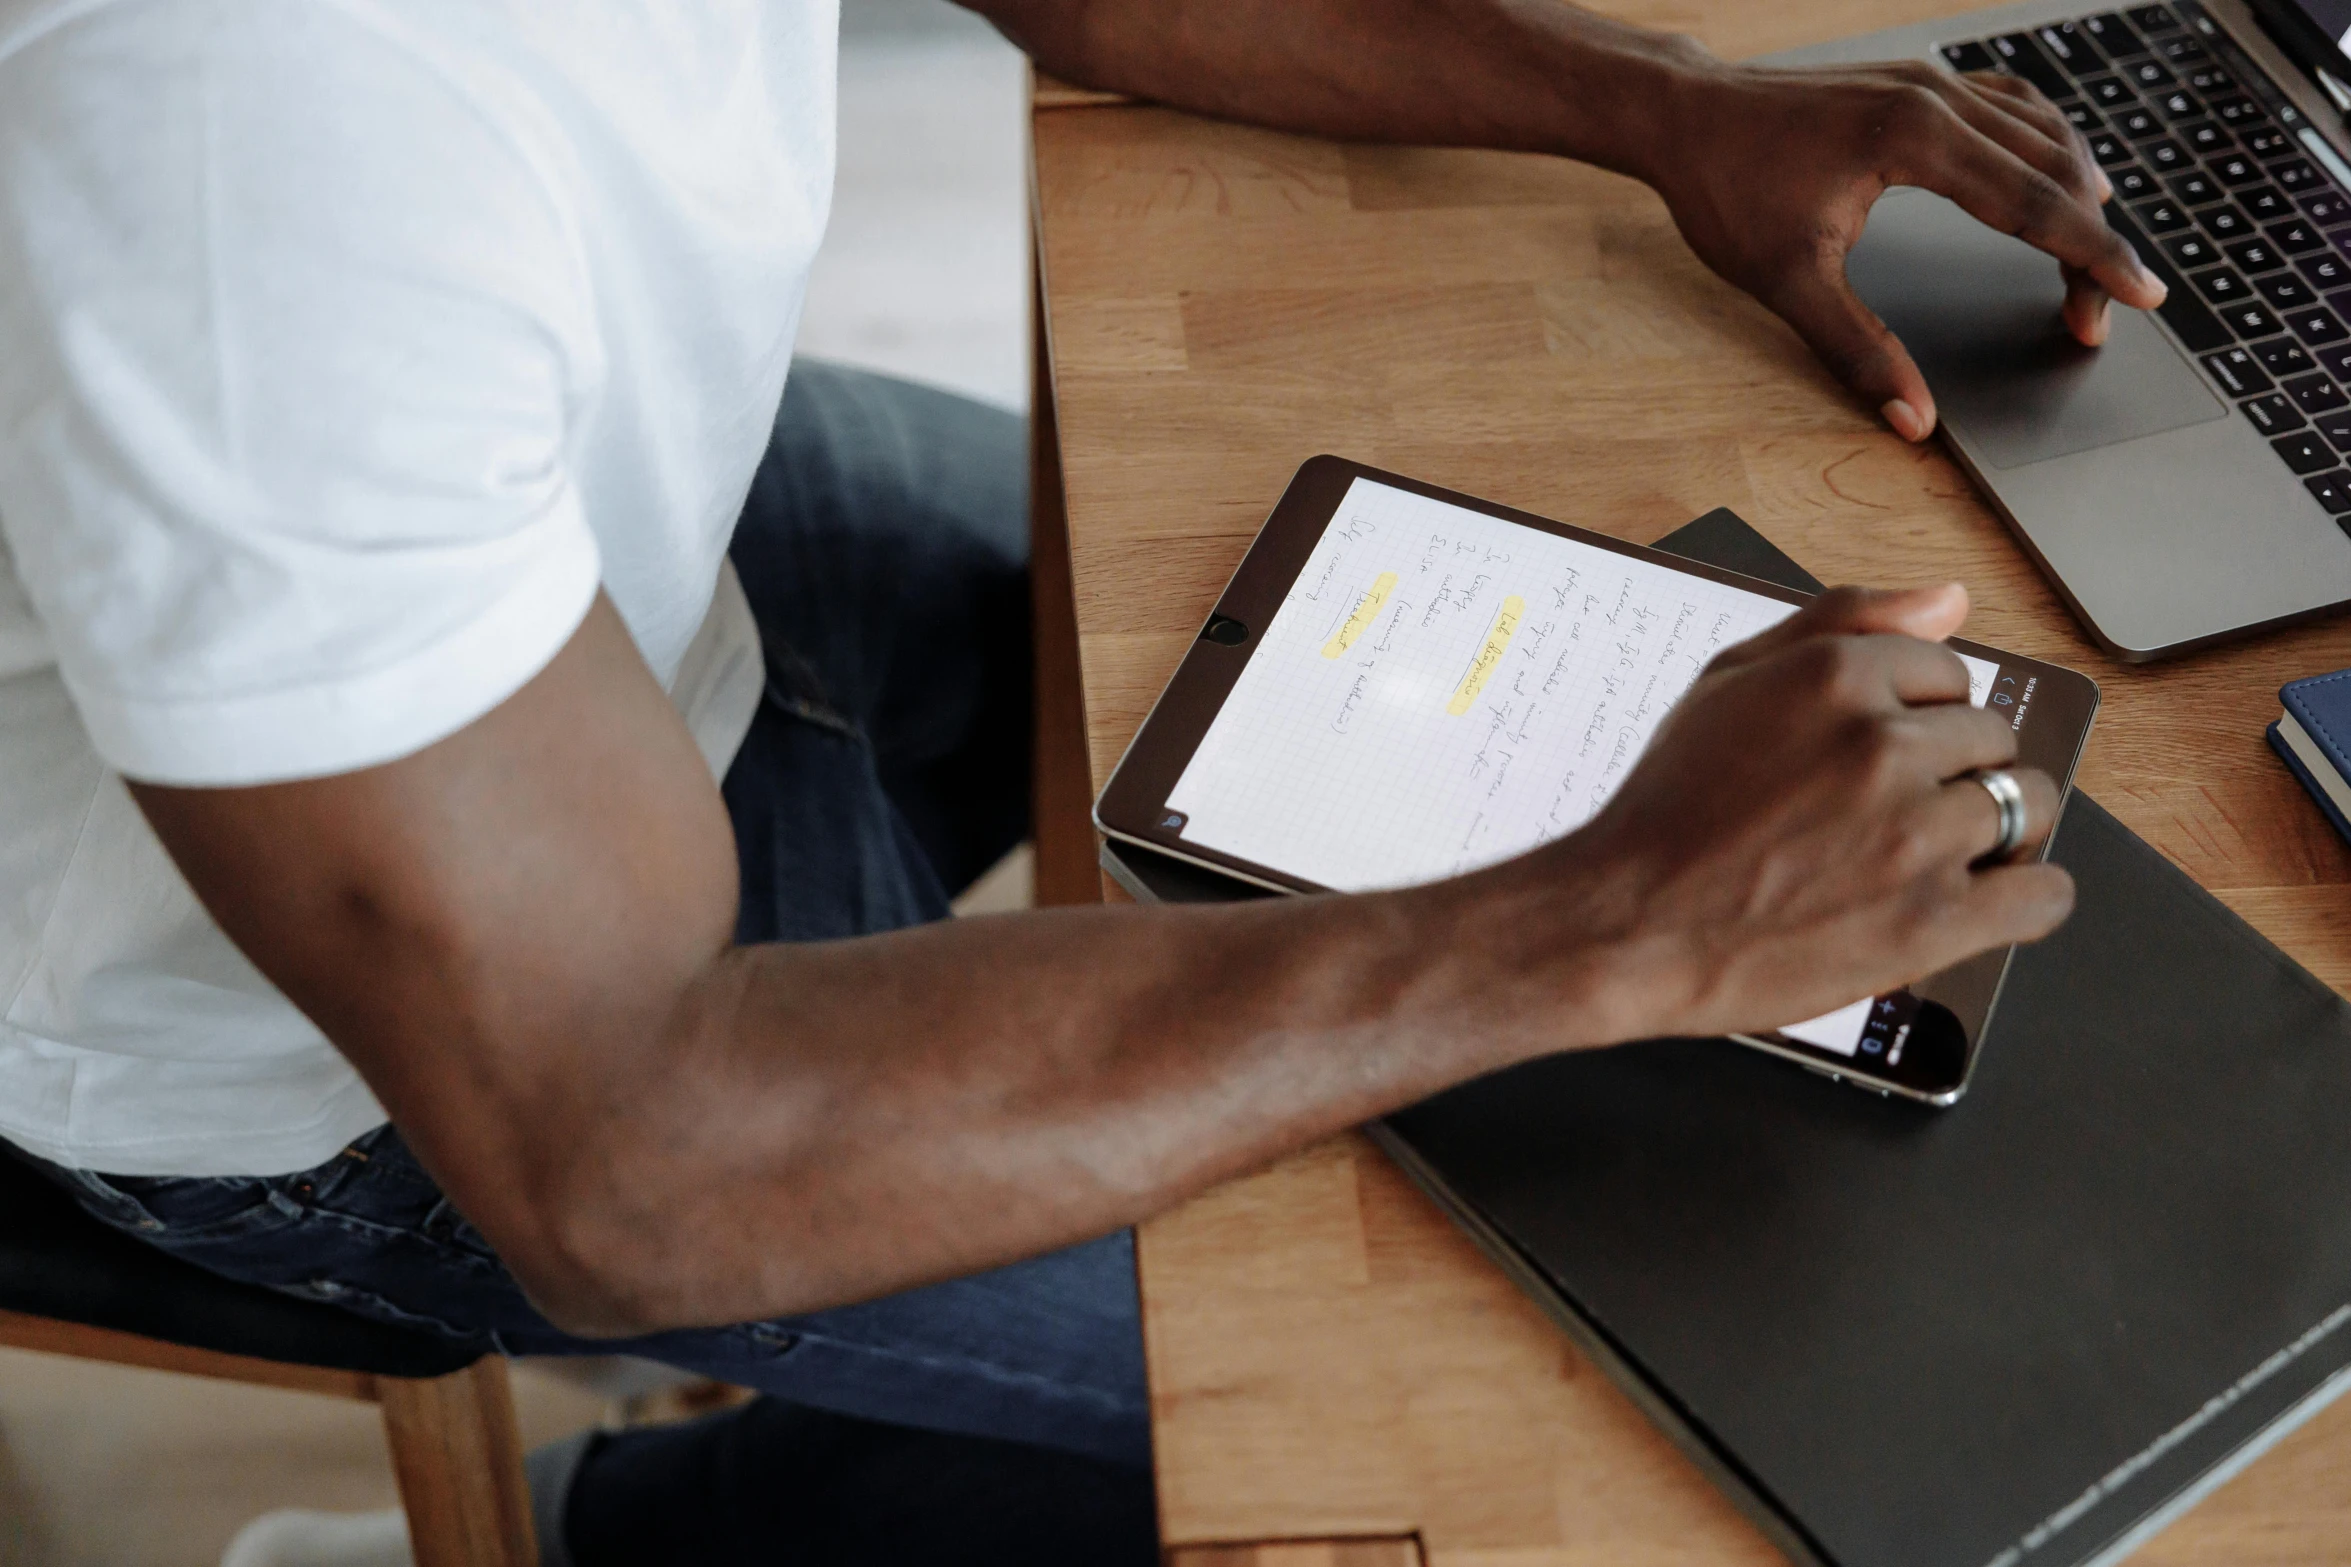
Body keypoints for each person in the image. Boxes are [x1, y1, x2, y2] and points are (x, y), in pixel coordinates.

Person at [0, 0, 2144, 1558]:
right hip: (348, 1057)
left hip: (635, 555)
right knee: (1468, 1381)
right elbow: (623, 1155)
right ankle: (594, 1537)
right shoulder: (235, 157)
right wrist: (1602, 914)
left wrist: (1657, 104)